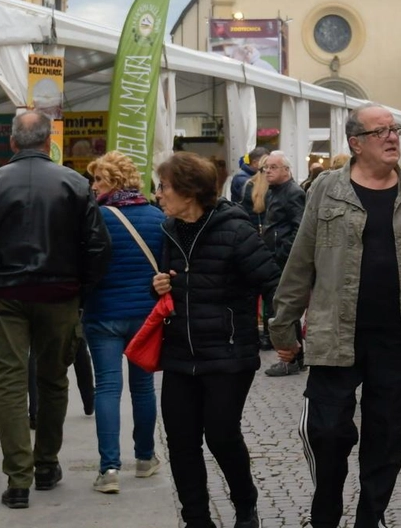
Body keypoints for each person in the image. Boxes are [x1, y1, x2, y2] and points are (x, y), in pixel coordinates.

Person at [270, 105, 401, 528]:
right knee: (328, 431)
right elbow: (301, 260)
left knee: (387, 436)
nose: (393, 137)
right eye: (382, 132)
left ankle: (369, 518)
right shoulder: (327, 189)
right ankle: (326, 510)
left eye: (396, 129)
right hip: (335, 334)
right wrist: (282, 325)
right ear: (355, 143)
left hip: (397, 338)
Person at [0, 112, 111, 509]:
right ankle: (45, 465)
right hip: (59, 294)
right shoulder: (75, 183)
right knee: (54, 380)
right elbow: (98, 247)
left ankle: (18, 479)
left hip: (5, 296)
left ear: (12, 142)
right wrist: (82, 293)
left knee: (9, 386)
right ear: (48, 143)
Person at [152, 152, 281, 528]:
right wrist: (158, 285)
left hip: (228, 353)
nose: (159, 194)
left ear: (189, 191)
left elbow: (273, 281)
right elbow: (171, 282)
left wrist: (280, 332)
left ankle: (245, 504)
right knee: (181, 441)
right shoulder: (170, 230)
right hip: (179, 352)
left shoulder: (235, 230)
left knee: (222, 436)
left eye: (164, 187)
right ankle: (196, 519)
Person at [82, 151, 164, 494]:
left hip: (103, 315)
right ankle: (145, 459)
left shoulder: (95, 218)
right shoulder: (157, 217)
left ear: (113, 181)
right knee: (143, 388)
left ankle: (109, 469)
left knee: (108, 389)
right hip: (145, 316)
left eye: (98, 179)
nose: (93, 185)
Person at [259, 151, 308, 376]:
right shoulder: (273, 192)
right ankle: (293, 356)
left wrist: (284, 252)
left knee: (285, 309)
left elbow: (300, 227)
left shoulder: (294, 193)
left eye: (273, 167)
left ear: (286, 170)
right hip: (273, 257)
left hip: (283, 260)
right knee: (279, 307)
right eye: (266, 167)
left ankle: (292, 358)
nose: (267, 171)